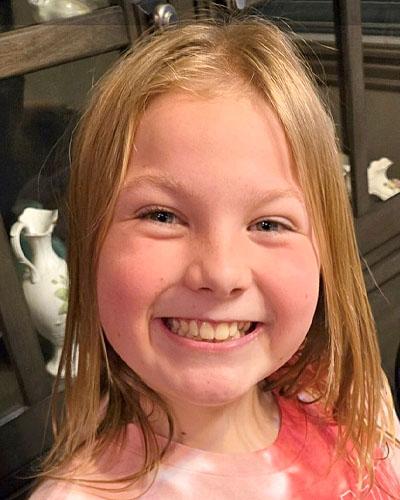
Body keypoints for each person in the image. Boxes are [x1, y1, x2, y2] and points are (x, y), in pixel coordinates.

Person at [29, 13, 400, 500]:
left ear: (326, 251)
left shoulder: (344, 393)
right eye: (162, 216)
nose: (221, 273)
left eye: (269, 224)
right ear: (89, 245)